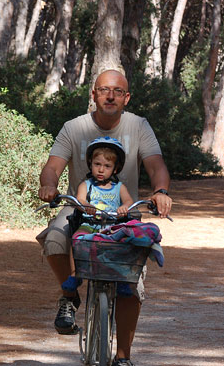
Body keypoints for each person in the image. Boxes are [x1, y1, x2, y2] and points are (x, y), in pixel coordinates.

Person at [37, 69, 172, 366]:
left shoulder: (138, 126)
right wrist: (48, 185)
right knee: (55, 240)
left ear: (126, 98)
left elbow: (155, 163)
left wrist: (160, 190)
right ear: (94, 94)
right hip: (81, 208)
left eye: (117, 91)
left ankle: (123, 358)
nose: (110, 95)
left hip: (125, 212)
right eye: (103, 90)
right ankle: (69, 295)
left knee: (131, 285)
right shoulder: (74, 127)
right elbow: (52, 165)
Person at [61, 136, 135, 298]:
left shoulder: (119, 187)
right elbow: (79, 199)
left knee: (123, 245)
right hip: (90, 224)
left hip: (112, 226)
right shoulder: (86, 185)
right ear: (90, 164)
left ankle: (122, 279)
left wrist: (124, 207)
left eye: (107, 166)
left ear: (115, 169)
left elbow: (129, 201)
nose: (101, 170)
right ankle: (75, 275)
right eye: (97, 164)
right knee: (77, 239)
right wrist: (85, 205)